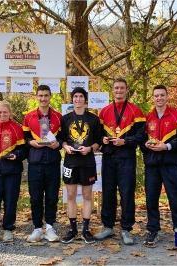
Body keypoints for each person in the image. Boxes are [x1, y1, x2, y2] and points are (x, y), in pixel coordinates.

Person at [95, 78, 145, 245]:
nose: (119, 90)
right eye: (116, 88)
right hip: (109, 157)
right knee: (108, 192)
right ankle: (108, 227)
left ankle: (126, 229)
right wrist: (102, 139)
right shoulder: (104, 111)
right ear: (112, 90)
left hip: (126, 158)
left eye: (122, 88)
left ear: (126, 89)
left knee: (127, 193)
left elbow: (141, 136)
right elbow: (98, 135)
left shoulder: (135, 111)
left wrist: (126, 141)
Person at [141, 85, 177, 246]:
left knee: (175, 198)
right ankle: (153, 231)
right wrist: (146, 145)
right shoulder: (147, 118)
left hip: (171, 164)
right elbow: (141, 141)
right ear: (153, 98)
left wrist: (167, 146)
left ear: (167, 96)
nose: (159, 98)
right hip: (152, 165)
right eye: (156, 95)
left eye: (162, 95)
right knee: (151, 199)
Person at [60, 87, 101, 244]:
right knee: (70, 196)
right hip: (70, 162)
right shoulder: (65, 119)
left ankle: (85, 230)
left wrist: (90, 148)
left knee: (86, 196)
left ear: (85, 100)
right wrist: (66, 147)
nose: (78, 99)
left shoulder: (93, 119)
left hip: (87, 162)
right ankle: (72, 229)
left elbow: (99, 141)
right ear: (72, 99)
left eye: (81, 96)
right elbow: (61, 139)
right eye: (75, 96)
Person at [22, 85, 62, 243]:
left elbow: (64, 138)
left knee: (52, 196)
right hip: (35, 162)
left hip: (52, 161)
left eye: (46, 95)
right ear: (36, 97)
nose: (43, 98)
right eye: (40, 95)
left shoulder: (59, 117)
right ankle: (37, 228)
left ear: (50, 96)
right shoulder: (28, 117)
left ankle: (50, 227)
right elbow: (23, 139)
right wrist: (31, 142)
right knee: (35, 197)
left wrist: (58, 144)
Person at [0, 100, 27, 242]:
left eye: (5, 112)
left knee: (10, 201)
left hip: (12, 172)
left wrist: (18, 155)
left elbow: (24, 150)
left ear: (10, 113)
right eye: (0, 112)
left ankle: (8, 229)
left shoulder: (17, 128)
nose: (2, 114)